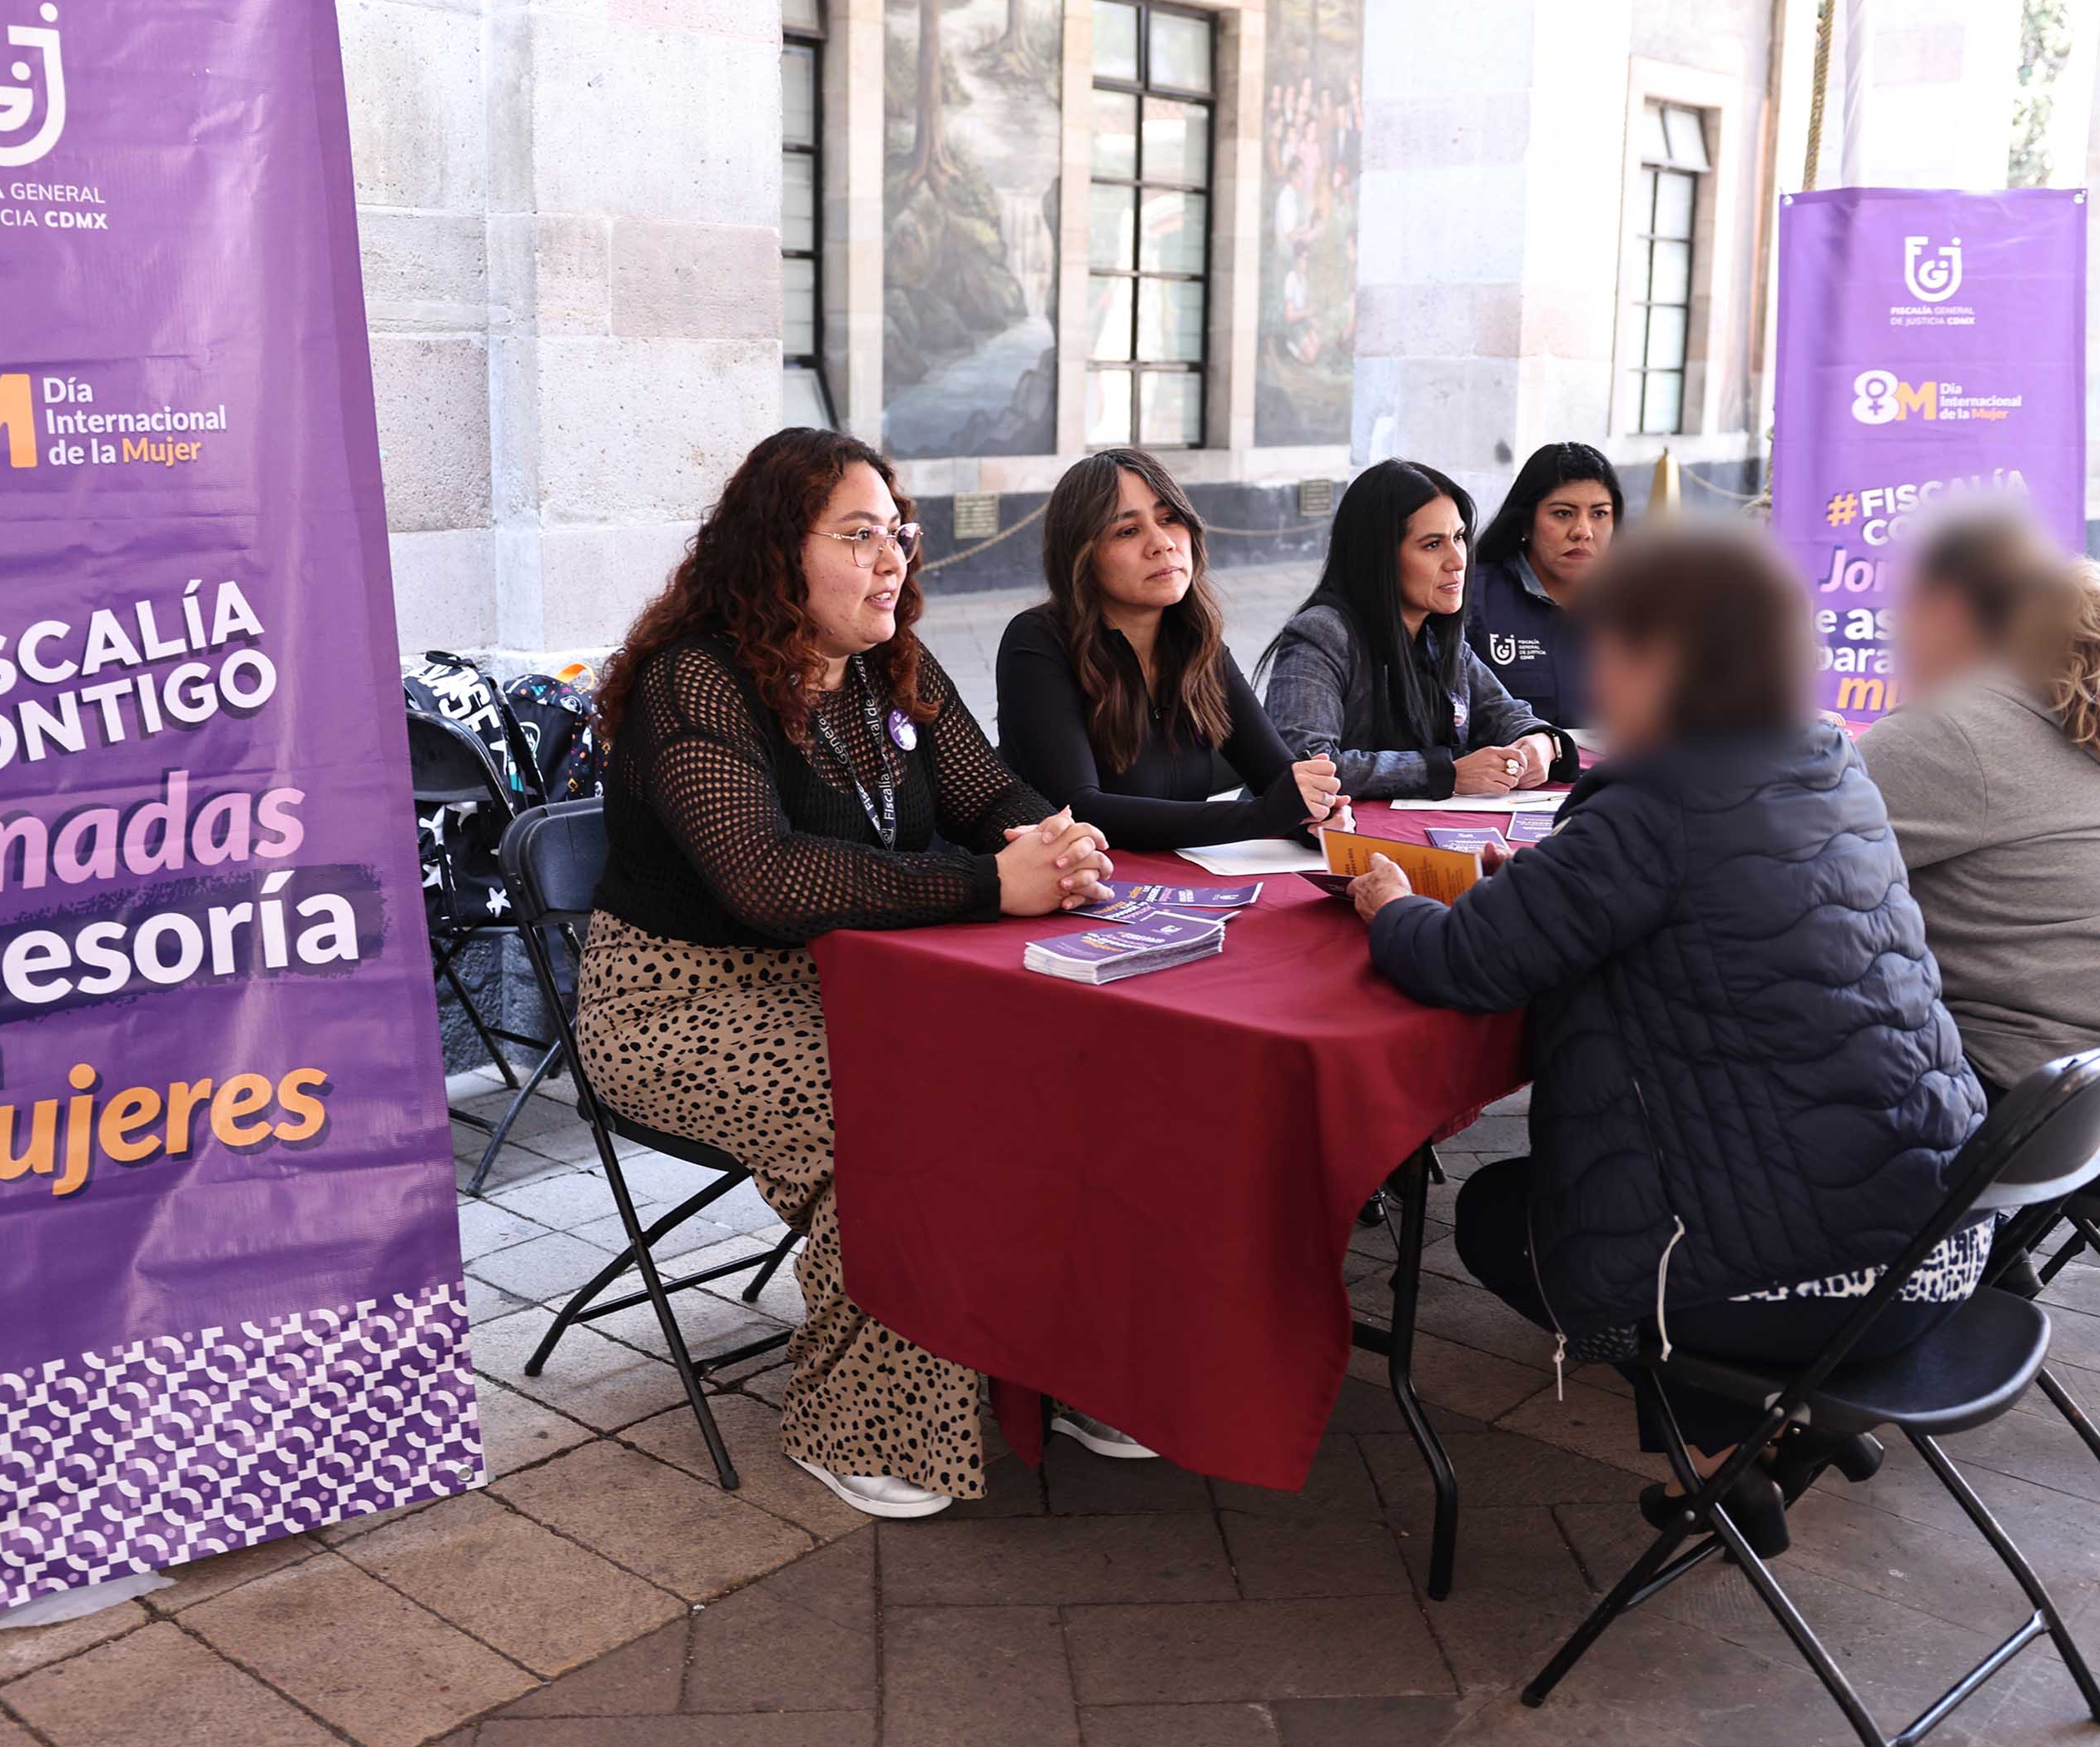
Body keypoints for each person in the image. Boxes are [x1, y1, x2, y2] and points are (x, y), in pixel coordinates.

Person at [1344, 520, 1987, 1558]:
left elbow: (1466, 964)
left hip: (1803, 1282)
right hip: (1940, 1244)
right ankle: (1785, 1427)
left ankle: (1734, 1433)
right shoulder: (1825, 757)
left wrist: (1387, 904)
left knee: (1501, 1218)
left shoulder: (1658, 803)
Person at [576, 428, 1144, 1522]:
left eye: (900, 533)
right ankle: (864, 1418)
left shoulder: (890, 664)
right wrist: (990, 889)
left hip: (859, 975)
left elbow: (990, 797)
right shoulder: (696, 682)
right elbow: (768, 880)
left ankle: (1071, 1365)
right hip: (677, 1002)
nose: (895, 561)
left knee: (1069, 1061)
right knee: (899, 1105)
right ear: (774, 552)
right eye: (861, 535)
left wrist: (1052, 843)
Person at [1860, 509, 2100, 1199]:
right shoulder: (2085, 708)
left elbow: (1780, 855)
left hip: (2067, 1122)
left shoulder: (1953, 731)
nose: (1892, 631)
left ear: (1949, 611)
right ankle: (1985, 1264)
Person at [995, 449, 1345, 850]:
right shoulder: (1039, 641)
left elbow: (1279, 777)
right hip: (1079, 891)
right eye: (1127, 531)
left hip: (1182, 886)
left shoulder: (1197, 642)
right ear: (1081, 556)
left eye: (1169, 519)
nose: (1161, 544)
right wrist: (1265, 815)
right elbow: (1078, 809)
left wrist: (1318, 814)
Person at [1257, 459, 1561, 802]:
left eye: (1459, 537)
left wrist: (1541, 742)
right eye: (1432, 544)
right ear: (1379, 557)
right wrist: (1446, 773)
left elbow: (1504, 713)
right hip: (1317, 845)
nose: (1458, 560)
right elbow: (1308, 764)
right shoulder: (1322, 635)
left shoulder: (1438, 633)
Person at [1465, 442, 1624, 730]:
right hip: (1512, 772)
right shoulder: (1471, 596)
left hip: (1615, 773)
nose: (1583, 532)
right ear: (1526, 523)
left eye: (1599, 514)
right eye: (1563, 513)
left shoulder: (1638, 604)